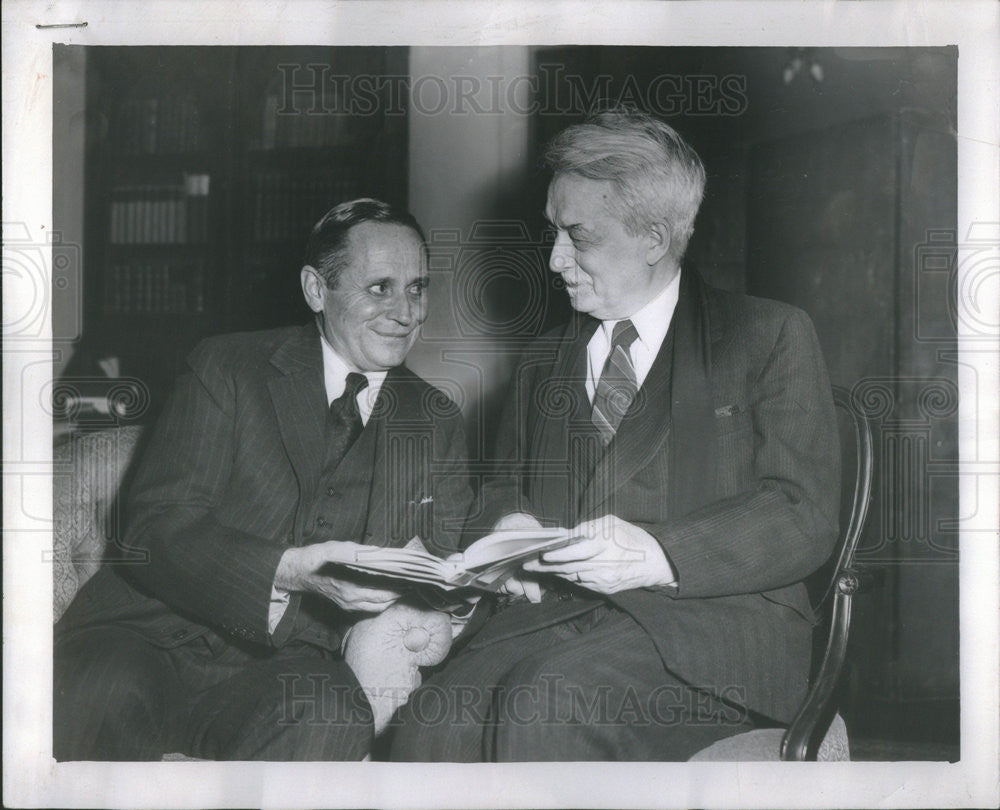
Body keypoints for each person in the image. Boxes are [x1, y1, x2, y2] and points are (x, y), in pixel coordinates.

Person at [390, 108, 840, 762]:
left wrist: (659, 552)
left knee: (546, 703)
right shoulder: (545, 360)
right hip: (558, 621)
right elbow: (498, 487)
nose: (554, 259)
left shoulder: (767, 337)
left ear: (654, 238)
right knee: (430, 722)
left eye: (578, 236)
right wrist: (506, 525)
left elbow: (803, 512)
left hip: (711, 637)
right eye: (553, 231)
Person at [54, 199, 472, 760]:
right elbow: (154, 529)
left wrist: (462, 582)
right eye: (380, 288)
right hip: (148, 636)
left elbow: (446, 558)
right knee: (104, 690)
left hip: (286, 666)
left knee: (333, 711)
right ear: (316, 290)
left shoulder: (435, 418)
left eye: (418, 288)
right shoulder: (227, 367)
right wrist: (293, 572)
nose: (406, 311)